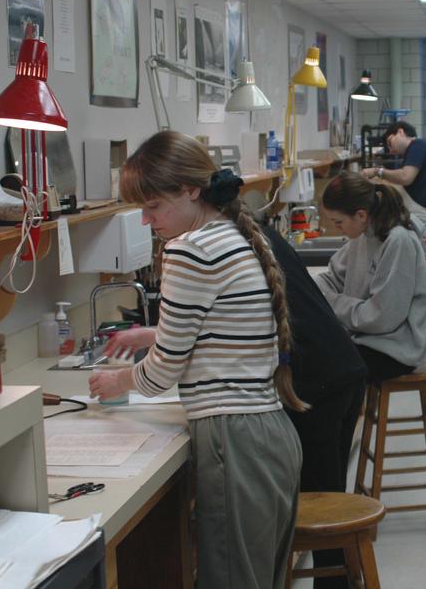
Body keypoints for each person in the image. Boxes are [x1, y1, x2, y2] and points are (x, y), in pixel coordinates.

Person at [88, 131, 303, 589]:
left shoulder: (189, 250)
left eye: (153, 206)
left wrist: (118, 381)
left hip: (234, 440)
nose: (146, 220)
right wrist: (155, 334)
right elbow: (225, 327)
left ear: (189, 191)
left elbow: (163, 372)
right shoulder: (231, 233)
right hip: (269, 433)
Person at [261, 224, 367, 589]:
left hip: (318, 381)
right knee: (330, 496)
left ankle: (335, 582)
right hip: (340, 368)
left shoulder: (223, 245)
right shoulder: (258, 233)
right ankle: (339, 580)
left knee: (323, 503)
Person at [316, 171, 426, 383]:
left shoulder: (398, 241)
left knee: (325, 369)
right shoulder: (361, 235)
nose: (336, 228)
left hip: (397, 348)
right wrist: (309, 288)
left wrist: (332, 302)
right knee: (310, 354)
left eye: (339, 222)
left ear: (361, 215)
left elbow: (382, 318)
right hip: (369, 338)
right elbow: (334, 278)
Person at [362, 121, 426, 363]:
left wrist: (377, 171)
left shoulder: (418, 146)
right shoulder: (416, 152)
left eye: (390, 142)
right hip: (424, 226)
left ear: (400, 132)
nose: (391, 150)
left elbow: (406, 177)